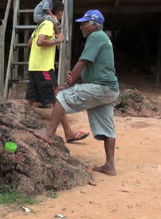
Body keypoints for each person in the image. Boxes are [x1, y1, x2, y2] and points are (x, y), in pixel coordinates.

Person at [32, 10, 120, 176]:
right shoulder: (102, 38)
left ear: (94, 25)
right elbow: (90, 68)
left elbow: (82, 63)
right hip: (110, 90)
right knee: (108, 129)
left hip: (100, 88)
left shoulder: (96, 36)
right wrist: (74, 79)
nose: (81, 27)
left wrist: (65, 85)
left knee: (61, 96)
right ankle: (110, 166)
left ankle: (49, 133)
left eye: (84, 23)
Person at [26, 1, 90, 143]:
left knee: (30, 99)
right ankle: (69, 132)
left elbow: (30, 42)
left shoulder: (41, 24)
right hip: (44, 68)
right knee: (57, 100)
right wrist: (57, 39)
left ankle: (16, 122)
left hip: (34, 67)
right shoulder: (48, 24)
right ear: (60, 13)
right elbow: (40, 42)